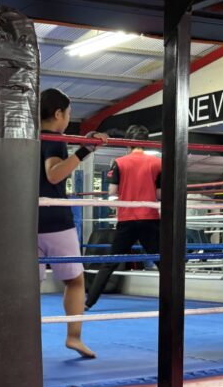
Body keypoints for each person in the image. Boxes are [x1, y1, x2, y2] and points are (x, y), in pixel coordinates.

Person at [37, 88, 107, 358]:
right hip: (56, 221)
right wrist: (84, 150)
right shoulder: (55, 139)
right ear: (58, 114)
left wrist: (83, 144)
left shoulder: (30, 137)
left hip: (27, 220)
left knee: (29, 286)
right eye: (68, 113)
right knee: (75, 281)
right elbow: (54, 175)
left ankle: (24, 340)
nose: (68, 118)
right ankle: (74, 337)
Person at [85, 124, 162, 310]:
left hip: (127, 219)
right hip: (149, 218)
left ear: (128, 142)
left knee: (110, 263)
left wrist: (123, 199)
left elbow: (112, 193)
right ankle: (174, 300)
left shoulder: (119, 162)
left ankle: (89, 302)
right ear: (146, 142)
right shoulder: (158, 163)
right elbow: (159, 194)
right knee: (163, 262)